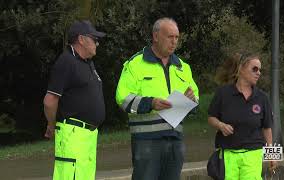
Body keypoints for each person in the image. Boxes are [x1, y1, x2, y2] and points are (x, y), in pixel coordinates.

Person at [115, 17, 199, 180]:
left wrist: (191, 100)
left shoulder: (182, 67)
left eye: (176, 37)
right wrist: (150, 103)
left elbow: (195, 97)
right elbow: (122, 98)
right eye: (170, 37)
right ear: (155, 36)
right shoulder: (135, 64)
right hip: (147, 141)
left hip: (175, 140)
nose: (174, 42)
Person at [43, 20, 106, 180]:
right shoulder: (66, 61)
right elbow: (50, 100)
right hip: (73, 134)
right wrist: (52, 124)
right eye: (94, 39)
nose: (97, 44)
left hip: (89, 136)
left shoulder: (88, 63)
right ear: (81, 39)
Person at [207, 52, 276, 180]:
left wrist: (272, 156)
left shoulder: (262, 97)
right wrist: (220, 125)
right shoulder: (223, 93)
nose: (258, 73)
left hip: (253, 153)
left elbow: (267, 128)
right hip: (228, 154)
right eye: (254, 69)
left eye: (260, 70)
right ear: (241, 69)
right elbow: (211, 118)